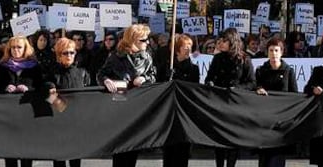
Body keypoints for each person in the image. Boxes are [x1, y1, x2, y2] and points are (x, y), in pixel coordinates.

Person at [97, 24, 156, 167]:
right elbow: (101, 74)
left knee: (134, 146)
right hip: (120, 104)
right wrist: (106, 80)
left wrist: (145, 79)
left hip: (138, 106)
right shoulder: (116, 57)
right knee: (120, 147)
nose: (147, 42)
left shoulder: (147, 57)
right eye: (143, 40)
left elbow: (153, 75)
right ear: (132, 40)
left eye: (147, 39)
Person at [204, 28, 255, 167]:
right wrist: (210, 83)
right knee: (219, 139)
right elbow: (209, 78)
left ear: (232, 41)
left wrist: (237, 89)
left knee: (232, 139)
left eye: (224, 40)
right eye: (220, 40)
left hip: (235, 104)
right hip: (219, 103)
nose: (220, 43)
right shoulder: (217, 58)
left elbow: (251, 83)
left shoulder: (244, 59)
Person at [0, 36, 42, 167]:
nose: (15, 50)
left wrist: (28, 89)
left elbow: (41, 88)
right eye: (12, 47)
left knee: (27, 149)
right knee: (10, 150)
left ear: (25, 49)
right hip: (8, 115)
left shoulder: (35, 67)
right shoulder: (2, 67)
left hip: (27, 113)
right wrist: (4, 88)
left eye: (19, 47)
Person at [46, 37, 90, 167]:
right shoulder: (52, 73)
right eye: (65, 53)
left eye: (72, 52)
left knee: (76, 156)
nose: (69, 55)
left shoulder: (82, 72)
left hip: (77, 120)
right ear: (59, 55)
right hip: (59, 120)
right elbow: (49, 96)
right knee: (59, 157)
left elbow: (88, 95)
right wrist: (61, 106)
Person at [255, 38, 298, 167]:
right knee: (264, 153)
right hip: (265, 117)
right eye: (271, 50)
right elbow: (254, 87)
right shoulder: (260, 70)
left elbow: (294, 93)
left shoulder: (288, 71)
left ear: (281, 52)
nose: (274, 53)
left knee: (278, 154)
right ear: (267, 52)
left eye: (276, 50)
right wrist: (258, 89)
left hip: (281, 117)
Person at [163, 34, 199, 167]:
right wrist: (169, 77)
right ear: (177, 49)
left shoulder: (194, 69)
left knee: (182, 149)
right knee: (169, 150)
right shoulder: (168, 66)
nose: (189, 49)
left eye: (190, 46)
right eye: (185, 46)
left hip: (185, 111)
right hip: (169, 111)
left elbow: (193, 89)